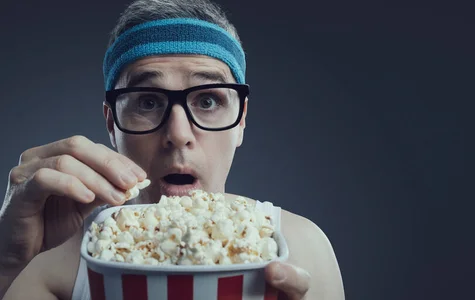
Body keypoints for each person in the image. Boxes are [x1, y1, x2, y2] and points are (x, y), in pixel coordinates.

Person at [0, 0, 345, 299]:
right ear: (112, 124)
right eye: (148, 102)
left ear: (240, 120)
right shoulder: (43, 262)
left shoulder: (304, 251)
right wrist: (4, 265)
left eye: (208, 100)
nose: (178, 134)